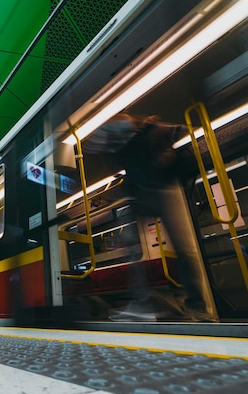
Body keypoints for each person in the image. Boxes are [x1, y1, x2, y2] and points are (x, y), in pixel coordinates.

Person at [82, 113, 216, 322]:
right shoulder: (116, 144)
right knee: (132, 246)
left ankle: (196, 306)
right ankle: (142, 303)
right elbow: (94, 147)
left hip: (164, 189)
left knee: (183, 248)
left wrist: (168, 150)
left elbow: (179, 129)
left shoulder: (149, 129)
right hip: (140, 194)